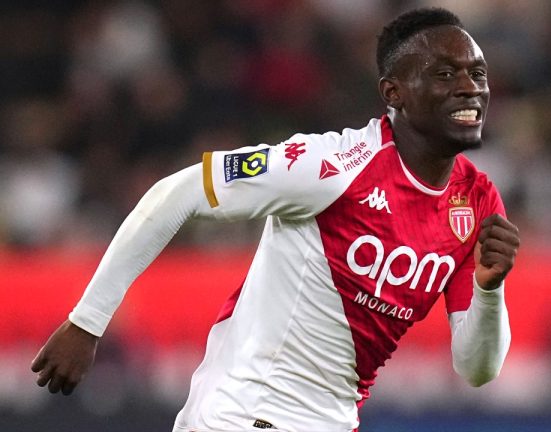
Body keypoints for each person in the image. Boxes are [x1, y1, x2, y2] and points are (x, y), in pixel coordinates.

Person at [31, 7, 520, 432]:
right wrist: (87, 322)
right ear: (393, 93)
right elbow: (176, 193)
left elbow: (476, 369)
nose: (468, 89)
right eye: (444, 74)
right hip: (244, 415)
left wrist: (489, 289)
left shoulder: (475, 202)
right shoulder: (332, 165)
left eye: (477, 74)